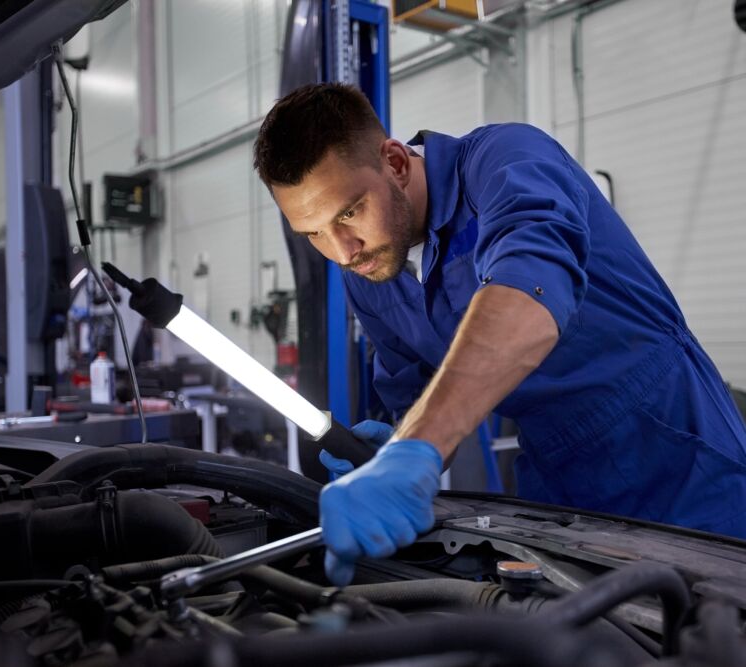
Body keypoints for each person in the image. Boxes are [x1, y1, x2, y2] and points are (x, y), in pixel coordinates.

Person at [253, 83, 746, 586]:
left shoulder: (505, 162)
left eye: (349, 212)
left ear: (396, 163)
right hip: (554, 483)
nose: (342, 250)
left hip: (677, 453)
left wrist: (415, 449)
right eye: (312, 232)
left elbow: (530, 289)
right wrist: (390, 451)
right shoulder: (371, 274)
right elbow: (420, 397)